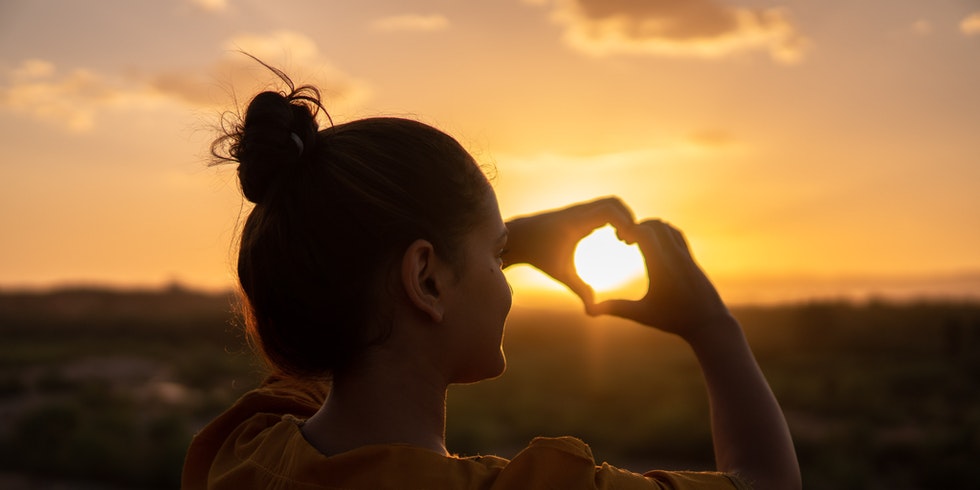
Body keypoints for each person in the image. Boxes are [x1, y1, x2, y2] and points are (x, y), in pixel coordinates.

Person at [181, 65, 801, 490]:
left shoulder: (246, 451)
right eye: (497, 257)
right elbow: (765, 484)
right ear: (425, 279)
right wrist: (712, 327)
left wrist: (491, 244)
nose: (505, 280)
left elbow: (330, 299)